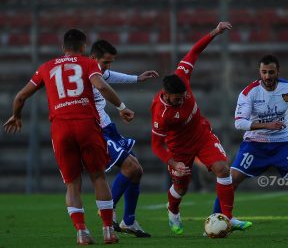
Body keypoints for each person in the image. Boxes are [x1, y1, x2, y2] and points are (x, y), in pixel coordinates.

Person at [3, 29, 135, 245]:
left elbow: (20, 97)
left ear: (63, 47)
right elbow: (101, 85)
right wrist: (121, 107)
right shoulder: (88, 63)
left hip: (61, 128)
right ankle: (108, 231)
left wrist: (16, 116)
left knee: (72, 184)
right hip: (87, 125)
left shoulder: (46, 67)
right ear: (83, 47)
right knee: (98, 177)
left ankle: (81, 233)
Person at [151, 22, 252, 235]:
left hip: (201, 135)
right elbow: (156, 145)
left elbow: (194, 51)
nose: (180, 102)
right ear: (165, 94)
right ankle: (172, 210)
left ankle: (229, 218)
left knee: (223, 169)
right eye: (176, 100)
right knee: (181, 188)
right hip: (178, 148)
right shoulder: (161, 114)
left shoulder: (182, 77)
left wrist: (214, 32)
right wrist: (173, 162)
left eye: (182, 98)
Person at [212, 55, 288, 232]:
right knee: (230, 180)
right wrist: (267, 125)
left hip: (284, 144)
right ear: (260, 72)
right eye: (264, 72)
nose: (267, 76)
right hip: (255, 145)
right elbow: (239, 123)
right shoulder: (248, 93)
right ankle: (215, 222)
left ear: (278, 72)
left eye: (271, 72)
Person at [89, 39, 158, 237]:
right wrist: (121, 107)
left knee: (137, 170)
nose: (108, 67)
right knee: (132, 167)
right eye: (105, 62)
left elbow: (112, 77)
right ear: (93, 58)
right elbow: (104, 85)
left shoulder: (99, 71)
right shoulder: (86, 73)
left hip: (108, 126)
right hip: (96, 129)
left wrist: (137, 79)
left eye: (111, 62)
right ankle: (109, 209)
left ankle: (129, 221)